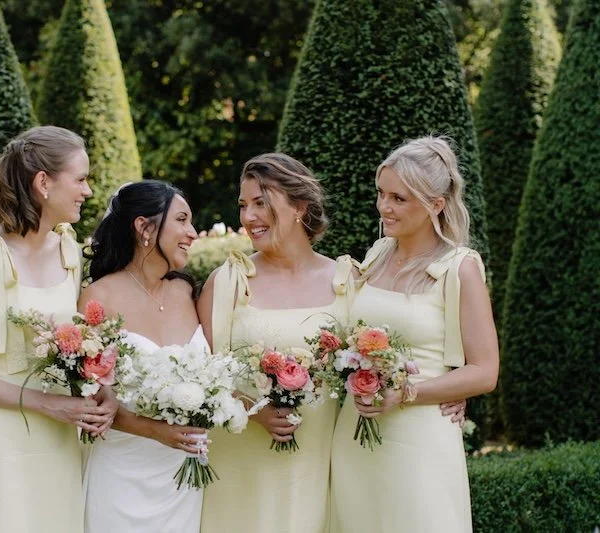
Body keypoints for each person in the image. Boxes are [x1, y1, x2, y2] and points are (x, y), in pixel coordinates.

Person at [0, 126, 115, 533]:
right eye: (81, 179)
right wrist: (45, 403)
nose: (87, 191)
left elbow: (81, 349)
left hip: (58, 440)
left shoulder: (72, 254)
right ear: (43, 183)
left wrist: (102, 390)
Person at [330, 136, 499, 533]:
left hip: (419, 442)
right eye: (382, 194)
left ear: (435, 205)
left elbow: (485, 372)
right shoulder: (377, 253)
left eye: (399, 198)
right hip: (355, 434)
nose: (384, 207)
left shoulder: (461, 268)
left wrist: (408, 393)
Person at [197, 153, 352, 532]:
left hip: (315, 462)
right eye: (243, 205)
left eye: (261, 203)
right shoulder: (228, 282)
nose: (248, 217)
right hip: (239, 462)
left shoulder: (346, 280)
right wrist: (253, 410)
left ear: (299, 206)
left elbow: (373, 361)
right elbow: (201, 374)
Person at [80, 180, 207, 533]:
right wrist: (155, 430)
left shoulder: (186, 291)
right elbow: (87, 404)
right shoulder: (98, 297)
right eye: (181, 220)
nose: (192, 233)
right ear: (144, 227)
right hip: (123, 474)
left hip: (183, 477)